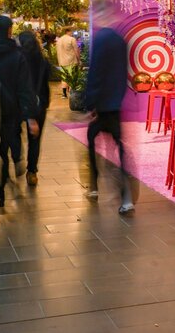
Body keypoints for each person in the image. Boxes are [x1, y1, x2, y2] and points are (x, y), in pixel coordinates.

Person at [0, 14, 40, 219]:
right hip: (10, 112)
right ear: (8, 31)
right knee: (4, 150)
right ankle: (2, 186)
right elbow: (25, 88)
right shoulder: (18, 55)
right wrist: (31, 117)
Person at [83, 27, 134, 214]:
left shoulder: (102, 40)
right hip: (115, 104)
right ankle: (126, 196)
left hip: (102, 106)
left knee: (92, 142)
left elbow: (95, 74)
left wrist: (90, 103)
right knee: (118, 146)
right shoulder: (120, 41)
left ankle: (95, 187)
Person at [17, 30, 51, 187]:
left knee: (15, 134)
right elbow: (46, 81)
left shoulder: (17, 58)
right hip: (39, 104)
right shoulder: (43, 60)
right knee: (35, 140)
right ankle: (32, 172)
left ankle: (18, 159)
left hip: (19, 103)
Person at [55, 29, 79, 98]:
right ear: (68, 31)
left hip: (62, 62)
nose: (72, 33)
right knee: (72, 77)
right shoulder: (72, 39)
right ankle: (72, 94)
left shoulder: (59, 40)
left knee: (64, 77)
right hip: (71, 61)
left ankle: (64, 94)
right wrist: (79, 59)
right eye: (71, 31)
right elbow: (76, 50)